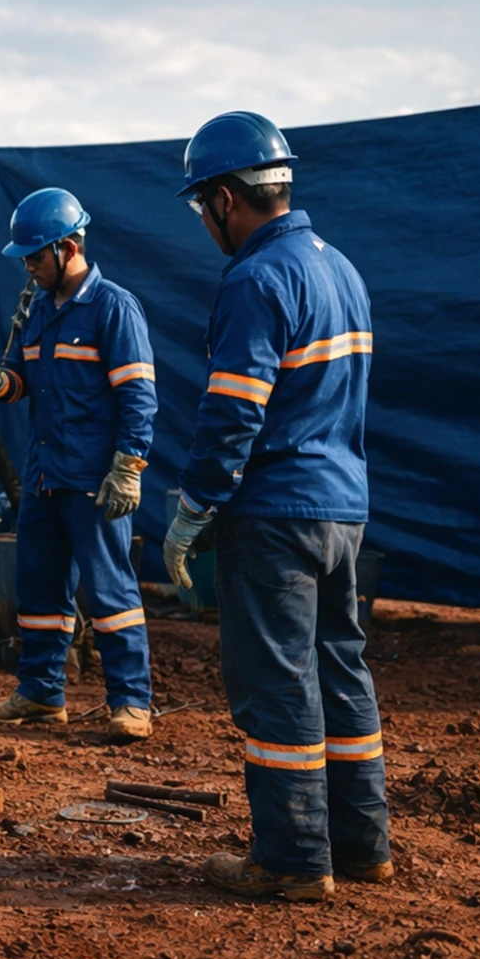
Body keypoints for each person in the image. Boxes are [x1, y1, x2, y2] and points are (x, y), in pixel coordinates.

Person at [161, 111, 388, 901]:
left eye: (201, 207)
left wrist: (194, 508)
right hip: (343, 511)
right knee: (341, 669)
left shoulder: (257, 280)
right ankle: (364, 847)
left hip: (277, 516)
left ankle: (292, 859)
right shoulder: (343, 269)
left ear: (227, 197)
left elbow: (232, 413)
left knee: (279, 680)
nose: (204, 223)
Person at [0, 188, 158, 743]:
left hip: (93, 480)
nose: (27, 265)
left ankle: (131, 703)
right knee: (39, 589)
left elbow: (138, 397)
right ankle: (41, 694)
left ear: (68, 247)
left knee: (110, 592)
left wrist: (128, 467)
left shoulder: (113, 309)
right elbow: (20, 378)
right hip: (45, 474)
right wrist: (0, 384)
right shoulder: (35, 308)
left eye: (34, 256)